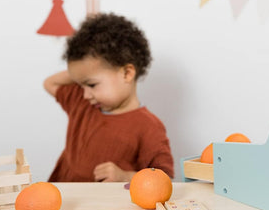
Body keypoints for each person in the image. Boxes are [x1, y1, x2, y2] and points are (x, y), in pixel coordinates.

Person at [44, 13, 174, 182]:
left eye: (91, 85)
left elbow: (164, 178)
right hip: (64, 201)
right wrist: (82, 73)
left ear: (127, 73)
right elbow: (50, 83)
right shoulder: (81, 102)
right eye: (79, 84)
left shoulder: (149, 127)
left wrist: (125, 177)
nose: (85, 94)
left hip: (109, 206)